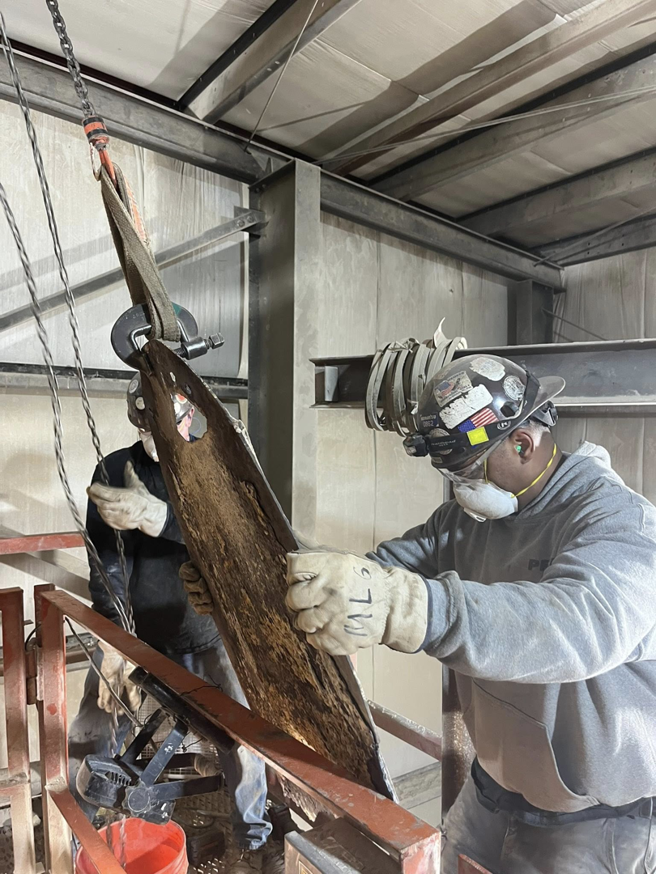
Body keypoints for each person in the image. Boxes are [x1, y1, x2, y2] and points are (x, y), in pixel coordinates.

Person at [283, 353, 656, 874]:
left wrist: (412, 608)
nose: (460, 486)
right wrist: (292, 586)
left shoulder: (619, 522)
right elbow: (379, 571)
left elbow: (577, 624)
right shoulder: (463, 522)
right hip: (490, 792)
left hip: (593, 823)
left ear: (522, 443)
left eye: (468, 469)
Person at [69, 373, 281, 874]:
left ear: (188, 421)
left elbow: (232, 541)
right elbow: (107, 566)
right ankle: (77, 828)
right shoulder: (115, 469)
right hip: (138, 634)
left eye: (163, 428)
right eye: (146, 428)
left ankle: (253, 837)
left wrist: (161, 518)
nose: (154, 438)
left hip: (210, 633)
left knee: (241, 736)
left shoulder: (213, 470)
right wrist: (114, 641)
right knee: (94, 724)